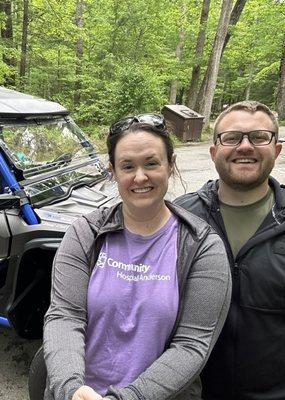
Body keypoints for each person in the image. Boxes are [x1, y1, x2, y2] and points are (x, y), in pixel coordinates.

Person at [43, 114, 232, 400]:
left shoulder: (202, 247)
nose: (140, 177)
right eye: (127, 166)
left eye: (152, 163)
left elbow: (192, 346)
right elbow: (64, 316)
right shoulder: (85, 233)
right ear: (113, 171)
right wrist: (70, 387)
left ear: (170, 165)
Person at [175, 100, 285, 400]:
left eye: (259, 136)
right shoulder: (180, 219)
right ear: (214, 151)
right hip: (188, 392)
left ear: (277, 149)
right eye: (231, 137)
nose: (245, 146)